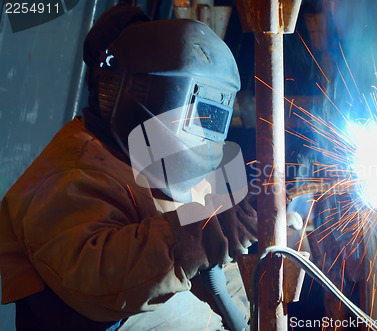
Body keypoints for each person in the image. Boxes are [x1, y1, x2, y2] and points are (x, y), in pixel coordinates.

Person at [0, 2, 257, 330]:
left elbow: (221, 274)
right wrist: (202, 234)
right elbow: (97, 276)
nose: (202, 128)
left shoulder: (166, 164)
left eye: (211, 117)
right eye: (196, 113)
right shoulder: (68, 172)